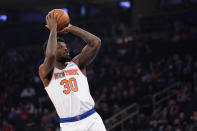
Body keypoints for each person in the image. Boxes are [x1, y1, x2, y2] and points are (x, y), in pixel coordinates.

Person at [38, 11, 106, 131]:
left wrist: (70, 28)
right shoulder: (46, 72)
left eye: (65, 47)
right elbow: (50, 56)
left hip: (91, 119)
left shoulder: (77, 64)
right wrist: (53, 29)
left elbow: (96, 42)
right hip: (69, 125)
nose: (65, 49)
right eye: (60, 47)